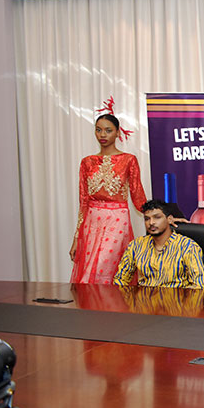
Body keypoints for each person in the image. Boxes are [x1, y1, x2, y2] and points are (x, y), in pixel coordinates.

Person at [70, 114, 147, 284]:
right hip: (91, 222)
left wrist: (161, 214)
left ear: (118, 133)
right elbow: (83, 201)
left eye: (108, 130)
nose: (102, 135)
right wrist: (77, 237)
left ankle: (101, 308)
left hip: (117, 220)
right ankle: (95, 309)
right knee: (91, 271)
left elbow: (138, 195)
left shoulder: (128, 160)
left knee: (101, 270)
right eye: (98, 130)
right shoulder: (87, 162)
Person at [113, 199, 204, 289]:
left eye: (157, 217)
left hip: (175, 303)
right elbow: (120, 280)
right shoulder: (136, 246)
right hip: (144, 302)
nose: (151, 223)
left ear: (169, 219)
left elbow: (198, 286)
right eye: (147, 219)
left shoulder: (188, 247)